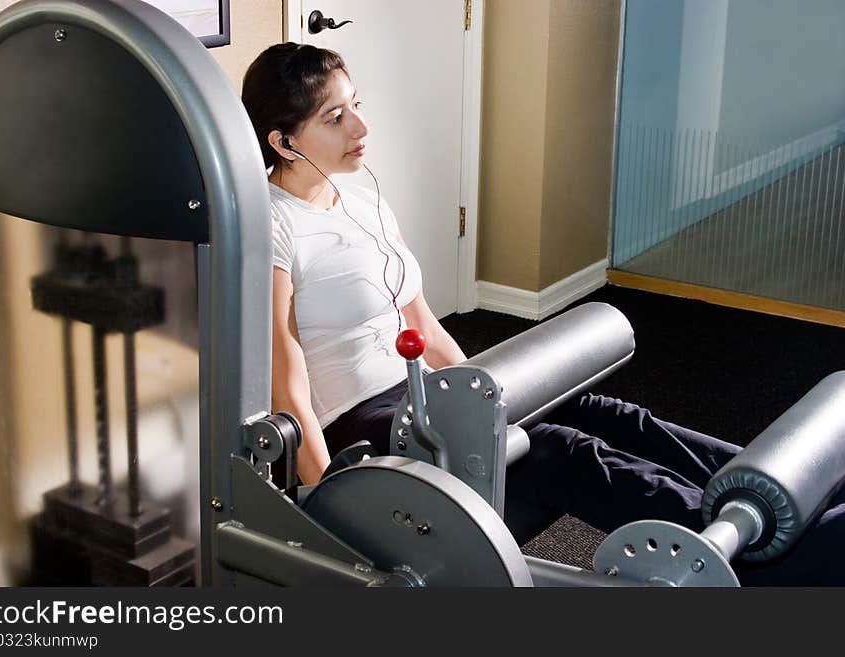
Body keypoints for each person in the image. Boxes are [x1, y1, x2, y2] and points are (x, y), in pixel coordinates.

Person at [241, 42, 844, 586]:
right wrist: (324, 502)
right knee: (560, 448)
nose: (361, 126)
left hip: (423, 388)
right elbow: (284, 371)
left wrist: (486, 389)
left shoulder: (363, 194)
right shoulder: (273, 224)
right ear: (283, 141)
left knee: (600, 409)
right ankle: (767, 554)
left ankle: (783, 489)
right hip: (362, 417)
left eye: (356, 104)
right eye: (335, 117)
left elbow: (420, 318)